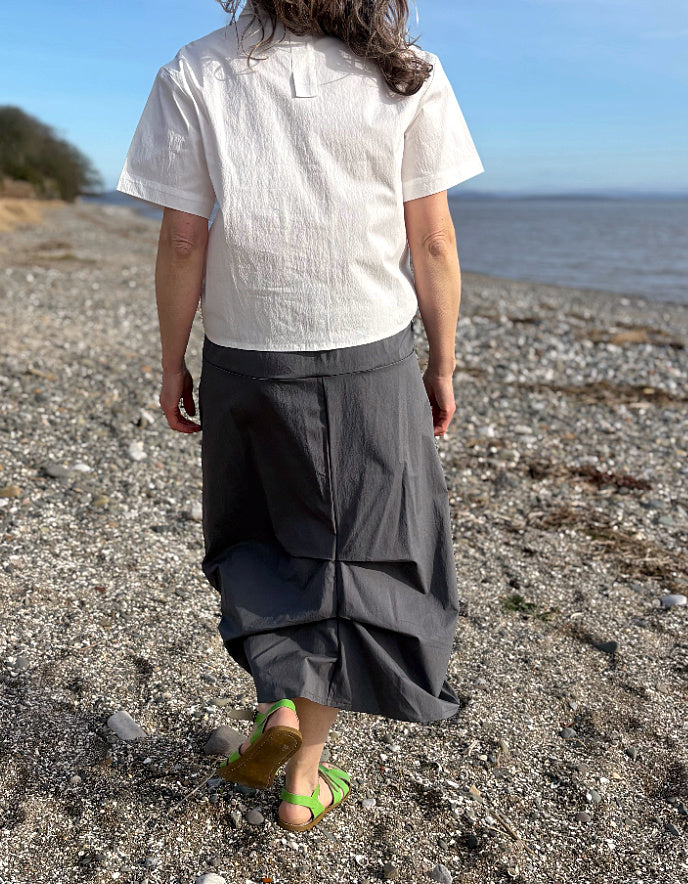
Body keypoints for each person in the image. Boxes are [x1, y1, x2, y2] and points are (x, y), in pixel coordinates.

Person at [117, 0, 483, 833]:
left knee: (265, 538)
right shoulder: (407, 74)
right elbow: (432, 241)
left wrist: (174, 358)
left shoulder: (196, 67)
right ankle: (303, 781)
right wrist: (443, 360)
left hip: (247, 353)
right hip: (369, 356)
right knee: (361, 562)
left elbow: (183, 240)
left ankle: (280, 704)